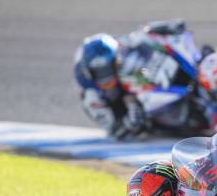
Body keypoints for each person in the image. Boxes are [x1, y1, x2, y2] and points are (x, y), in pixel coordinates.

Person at [74, 19, 207, 139]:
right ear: (89, 72)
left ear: (115, 61)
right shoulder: (91, 97)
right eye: (100, 72)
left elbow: (141, 34)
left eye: (108, 68)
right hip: (138, 111)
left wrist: (164, 28)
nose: (105, 76)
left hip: (147, 76)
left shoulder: (119, 48)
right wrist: (130, 123)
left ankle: (198, 65)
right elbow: (113, 130)